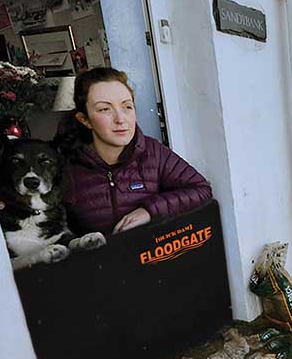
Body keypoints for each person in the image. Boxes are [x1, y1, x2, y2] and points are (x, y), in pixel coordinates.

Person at [56, 67, 212, 235]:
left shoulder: (153, 152)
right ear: (85, 120)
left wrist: (149, 211)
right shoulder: (65, 166)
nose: (120, 119)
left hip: (150, 257)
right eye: (104, 109)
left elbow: (201, 189)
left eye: (127, 107)